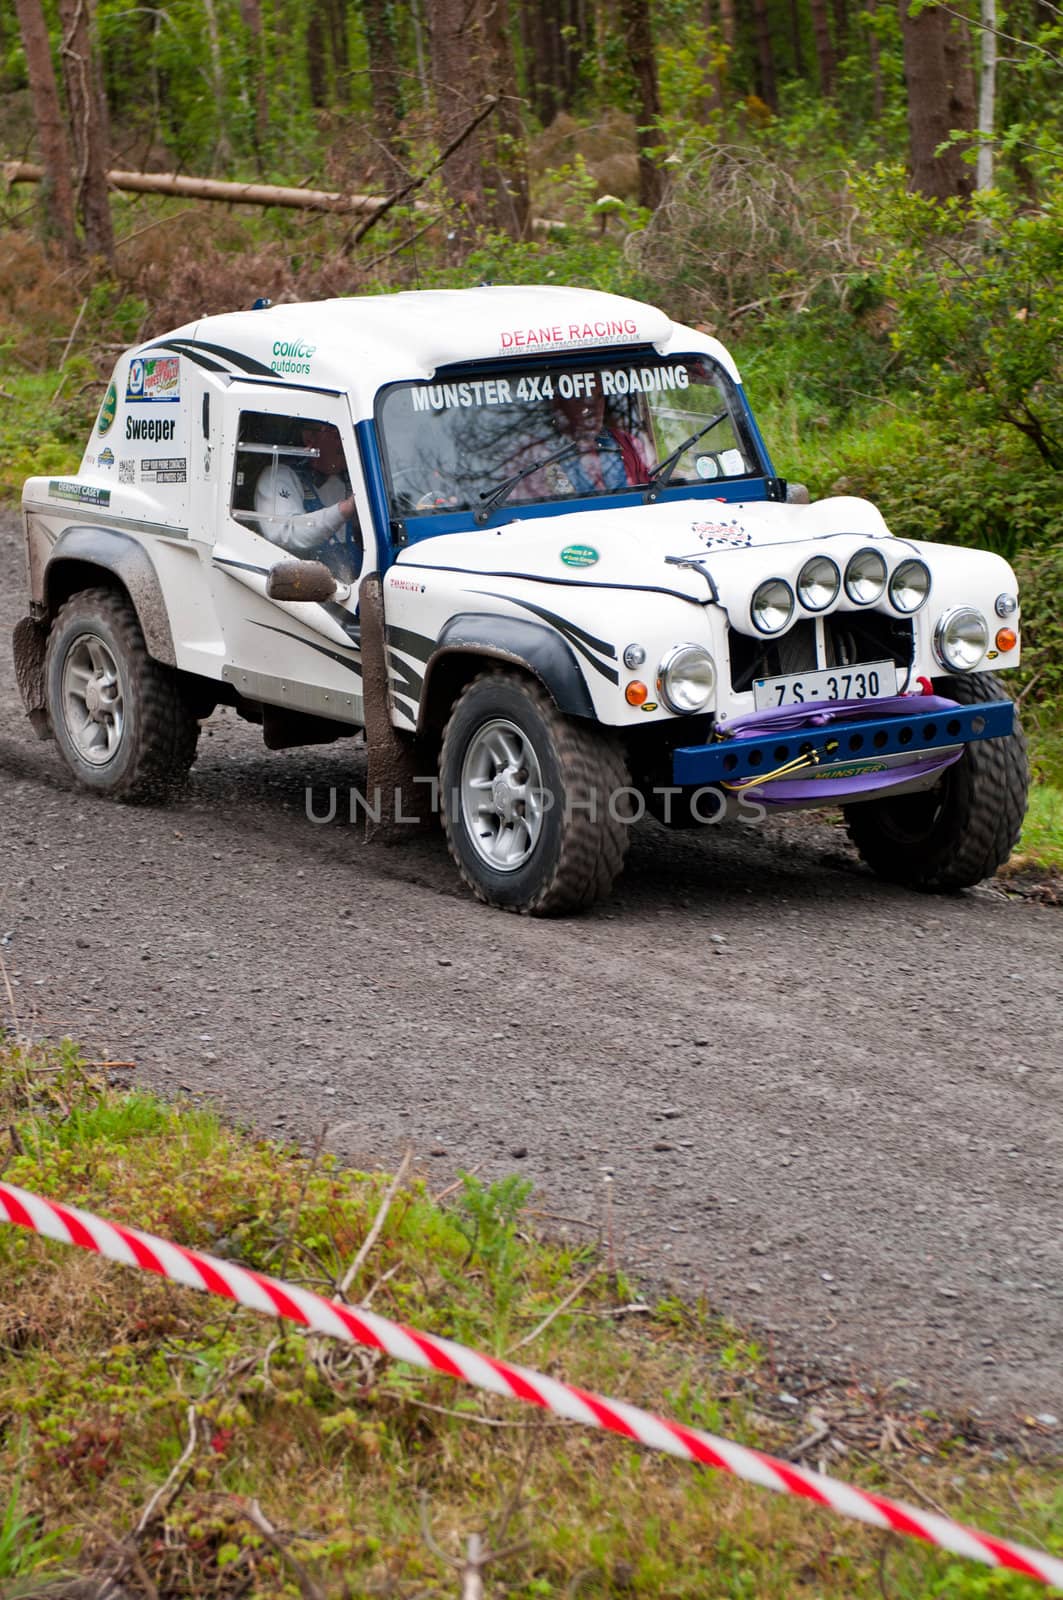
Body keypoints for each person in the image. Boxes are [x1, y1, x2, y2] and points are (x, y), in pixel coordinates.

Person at [254, 421, 361, 580]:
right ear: (309, 437)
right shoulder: (279, 476)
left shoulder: (354, 478)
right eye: (336, 432)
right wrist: (344, 510)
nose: (343, 440)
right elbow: (285, 532)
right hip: (304, 588)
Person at [549, 388, 650, 494]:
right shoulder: (543, 455)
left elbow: (651, 489)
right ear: (559, 404)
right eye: (580, 398)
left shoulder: (628, 443)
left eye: (598, 397)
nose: (593, 409)